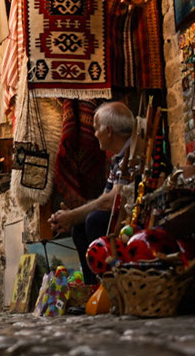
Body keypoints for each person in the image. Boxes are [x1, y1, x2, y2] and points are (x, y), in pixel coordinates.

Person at [50, 101, 136, 284]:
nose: (95, 134)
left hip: (132, 217)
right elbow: (104, 199)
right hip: (118, 213)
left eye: (96, 129)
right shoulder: (118, 159)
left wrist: (74, 215)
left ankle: (107, 284)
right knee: (80, 226)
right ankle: (93, 287)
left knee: (93, 220)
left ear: (109, 131)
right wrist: (72, 217)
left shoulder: (133, 153)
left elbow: (112, 201)